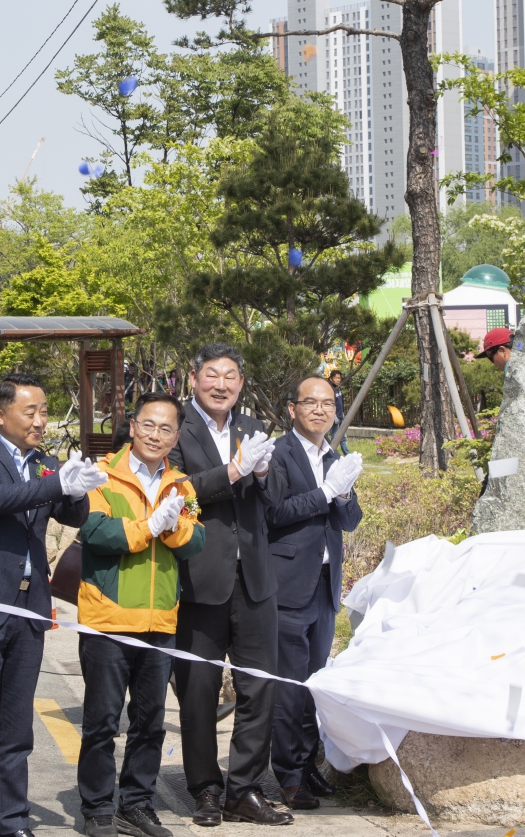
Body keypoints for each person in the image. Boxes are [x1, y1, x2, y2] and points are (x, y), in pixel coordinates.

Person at [0, 373, 105, 837]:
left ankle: (11, 820)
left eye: (45, 411)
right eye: (30, 412)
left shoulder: (45, 461)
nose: (40, 421)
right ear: (0, 413)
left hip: (29, 606)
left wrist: (77, 487)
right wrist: (57, 486)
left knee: (16, 727)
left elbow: (70, 512)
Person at [168, 343, 289, 827]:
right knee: (197, 691)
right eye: (213, 375)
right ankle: (204, 788)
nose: (222, 384)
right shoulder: (176, 427)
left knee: (259, 689)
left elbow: (276, 496)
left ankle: (244, 788)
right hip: (199, 578)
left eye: (232, 376)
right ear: (194, 378)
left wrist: (261, 471)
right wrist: (234, 470)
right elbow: (177, 488)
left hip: (255, 579)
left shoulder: (252, 426)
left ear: (241, 382)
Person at [76, 393, 206, 837]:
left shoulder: (180, 484)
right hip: (109, 620)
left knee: (150, 724)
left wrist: (172, 527)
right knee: (101, 722)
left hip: (160, 622)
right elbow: (95, 532)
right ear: (132, 426)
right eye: (148, 425)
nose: (155, 435)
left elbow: (197, 543)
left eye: (165, 428)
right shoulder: (101, 475)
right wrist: (147, 527)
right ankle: (96, 808)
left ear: (176, 435)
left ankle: (136, 804)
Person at [267, 376, 364, 810]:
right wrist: (325, 491)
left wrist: (342, 494)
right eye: (311, 403)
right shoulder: (279, 454)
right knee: (288, 687)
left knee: (313, 684)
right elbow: (274, 514)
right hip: (287, 588)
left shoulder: (334, 452)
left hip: (324, 587)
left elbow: (349, 520)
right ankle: (288, 777)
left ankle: (307, 766)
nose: (321, 410)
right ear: (293, 409)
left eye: (328, 403)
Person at [326, 370, 351, 455]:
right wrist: (334, 416)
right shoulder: (330, 389)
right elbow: (329, 404)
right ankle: (331, 455)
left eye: (339, 378)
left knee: (343, 437)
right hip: (334, 418)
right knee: (335, 438)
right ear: (331, 378)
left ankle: (347, 454)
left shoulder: (338, 388)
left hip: (340, 416)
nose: (338, 380)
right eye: (336, 378)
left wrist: (341, 414)